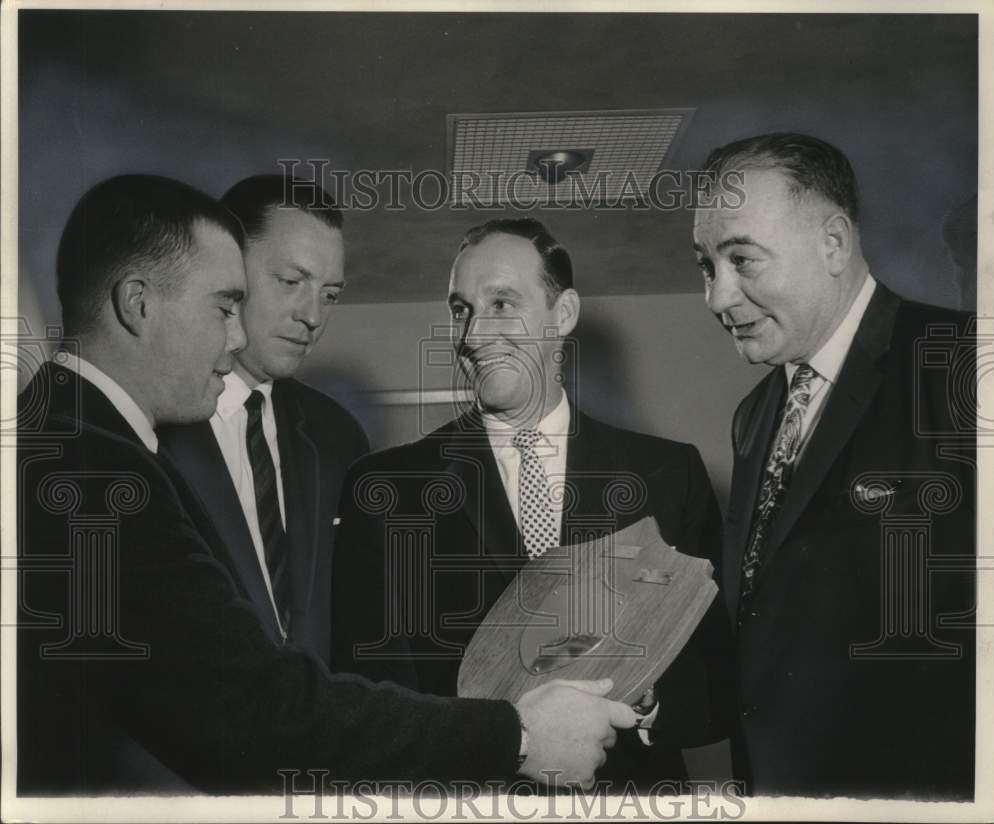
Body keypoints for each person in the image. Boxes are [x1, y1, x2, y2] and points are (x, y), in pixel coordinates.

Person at [16, 175, 637, 795]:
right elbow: (247, 702)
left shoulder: (66, 438)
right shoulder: (94, 466)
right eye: (226, 306)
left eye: (330, 293)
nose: (238, 335)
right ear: (138, 303)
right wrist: (516, 736)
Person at [332, 218, 736, 787]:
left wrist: (642, 696)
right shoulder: (386, 488)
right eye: (461, 310)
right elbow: (375, 699)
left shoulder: (669, 475)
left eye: (501, 304)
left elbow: (719, 683)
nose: (473, 335)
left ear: (562, 314)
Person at [692, 132, 976, 799]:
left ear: (834, 244)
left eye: (742, 259)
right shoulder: (754, 415)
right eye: (706, 265)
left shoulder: (965, 362)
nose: (718, 297)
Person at [158, 176, 368, 662]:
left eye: (330, 295)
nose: (312, 316)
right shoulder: (150, 423)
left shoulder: (338, 436)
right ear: (227, 266)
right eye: (291, 282)